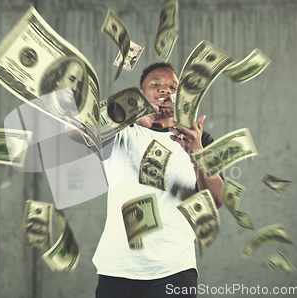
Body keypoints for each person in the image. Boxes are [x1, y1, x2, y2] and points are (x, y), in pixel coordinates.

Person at [87, 62, 223, 298]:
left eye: (172, 86)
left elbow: (216, 199)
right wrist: (128, 116)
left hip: (175, 268)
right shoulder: (121, 133)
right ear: (140, 94)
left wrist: (196, 152)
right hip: (118, 267)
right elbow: (77, 131)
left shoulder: (200, 139)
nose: (164, 90)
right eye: (156, 85)